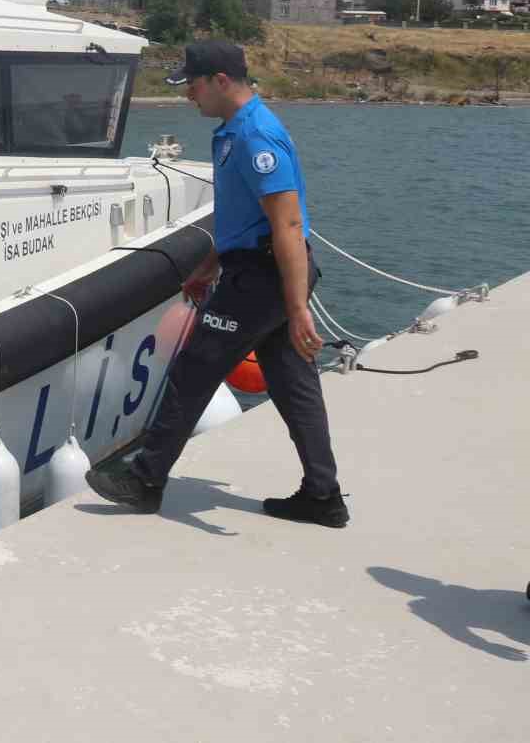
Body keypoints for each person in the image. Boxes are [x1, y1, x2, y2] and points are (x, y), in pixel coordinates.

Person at [85, 42, 347, 526]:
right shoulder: (232, 132)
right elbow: (243, 215)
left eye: (194, 84)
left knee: (197, 367)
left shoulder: (256, 137)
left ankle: (145, 479)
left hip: (265, 278)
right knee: (293, 384)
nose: (188, 95)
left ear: (221, 80)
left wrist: (295, 310)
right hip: (256, 269)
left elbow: (286, 226)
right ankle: (323, 496)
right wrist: (212, 262)